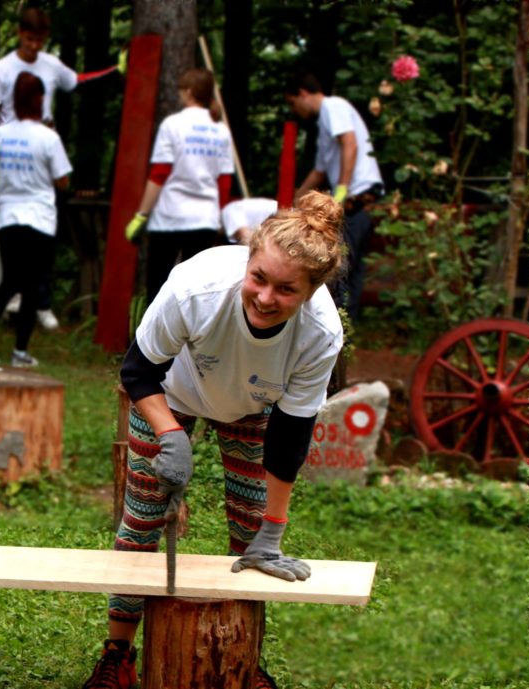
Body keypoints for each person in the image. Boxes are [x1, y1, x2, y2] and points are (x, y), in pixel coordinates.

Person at [82, 191, 345, 689]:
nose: (266, 298)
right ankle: (118, 655)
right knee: (142, 516)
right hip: (169, 393)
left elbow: (290, 438)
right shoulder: (195, 288)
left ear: (310, 293)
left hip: (252, 407)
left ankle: (246, 659)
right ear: (247, 262)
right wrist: (169, 434)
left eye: (286, 290)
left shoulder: (320, 333)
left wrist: (274, 529)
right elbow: (137, 372)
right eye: (259, 279)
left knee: (252, 530)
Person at [0, 6, 124, 329]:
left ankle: (41, 302)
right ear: (20, 34)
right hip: (10, 153)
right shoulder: (1, 70)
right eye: (29, 39)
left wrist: (118, 70)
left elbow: (79, 81)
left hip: (42, 152)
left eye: (39, 40)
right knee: (12, 232)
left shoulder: (50, 65)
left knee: (45, 234)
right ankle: (15, 295)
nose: (34, 46)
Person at [0, 72, 72, 368]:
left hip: (9, 217)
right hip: (39, 219)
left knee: (10, 281)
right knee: (30, 285)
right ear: (39, 100)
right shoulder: (48, 138)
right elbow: (62, 180)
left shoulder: (3, 135)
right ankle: (19, 351)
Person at [123, 68, 235, 304]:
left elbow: (159, 173)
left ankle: (151, 338)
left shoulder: (173, 125)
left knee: (158, 287)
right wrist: (221, 218)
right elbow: (224, 181)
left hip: (170, 217)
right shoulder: (221, 131)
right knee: (196, 292)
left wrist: (141, 214)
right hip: (204, 219)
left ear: (189, 92)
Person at [285, 71, 384, 321]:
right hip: (354, 198)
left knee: (342, 269)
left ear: (303, 93)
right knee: (349, 269)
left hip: (358, 198)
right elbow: (319, 171)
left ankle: (340, 329)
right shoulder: (324, 123)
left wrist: (340, 192)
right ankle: (345, 327)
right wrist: (293, 201)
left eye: (292, 102)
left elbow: (350, 144)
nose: (294, 110)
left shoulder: (333, 106)